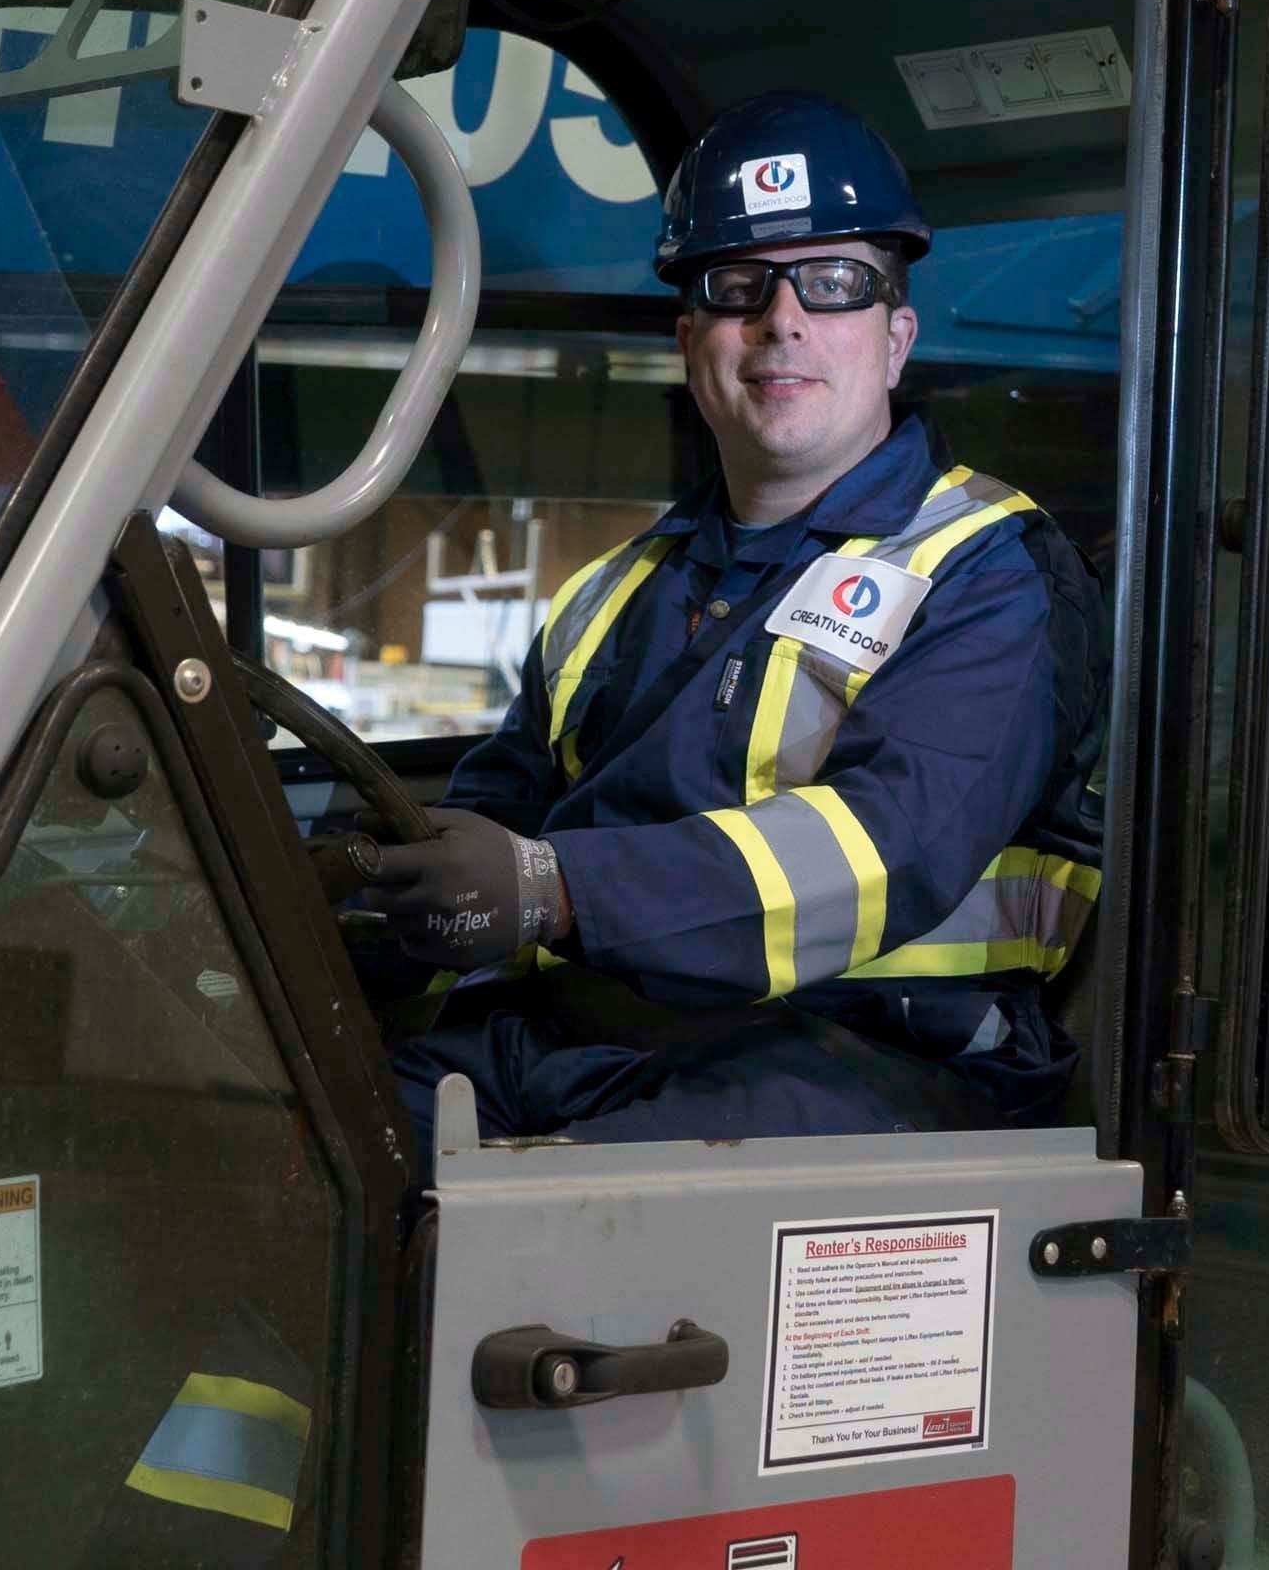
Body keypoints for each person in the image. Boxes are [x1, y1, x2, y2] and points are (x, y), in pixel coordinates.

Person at [364, 91, 1108, 1150]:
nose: (784, 319)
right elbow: (491, 821)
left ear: (897, 339)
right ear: (689, 340)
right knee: (311, 1138)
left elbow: (886, 853)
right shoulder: (611, 593)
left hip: (868, 1064)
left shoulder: (989, 571)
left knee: (535, 1225)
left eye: (836, 283)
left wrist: (553, 886)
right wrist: (373, 889)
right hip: (581, 1036)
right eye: (738, 286)